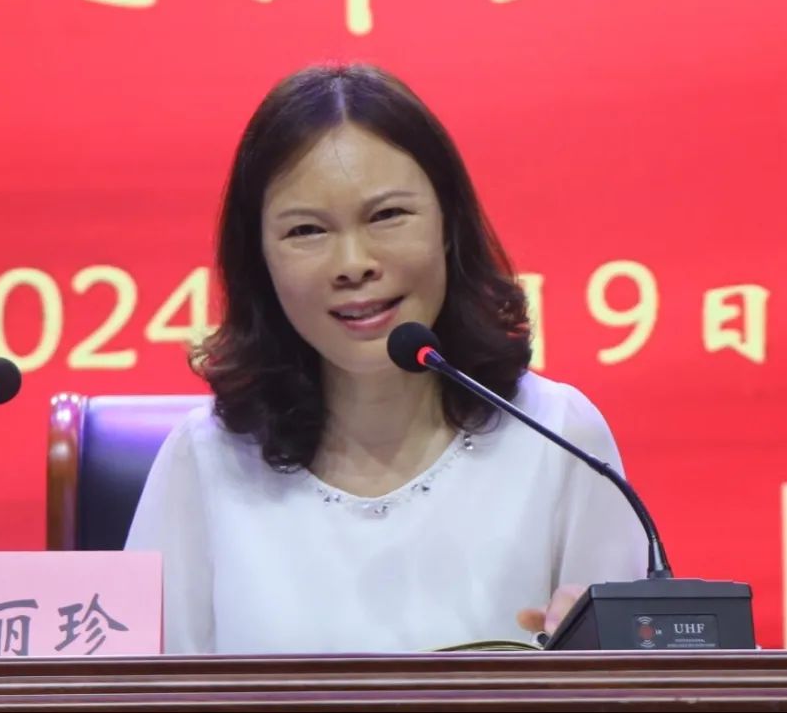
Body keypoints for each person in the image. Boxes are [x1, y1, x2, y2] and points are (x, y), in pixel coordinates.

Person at [124, 63, 646, 654]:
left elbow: (636, 684)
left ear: (448, 225)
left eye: (387, 216)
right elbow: (136, 690)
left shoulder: (560, 438)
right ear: (259, 261)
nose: (353, 264)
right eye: (306, 231)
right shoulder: (205, 459)